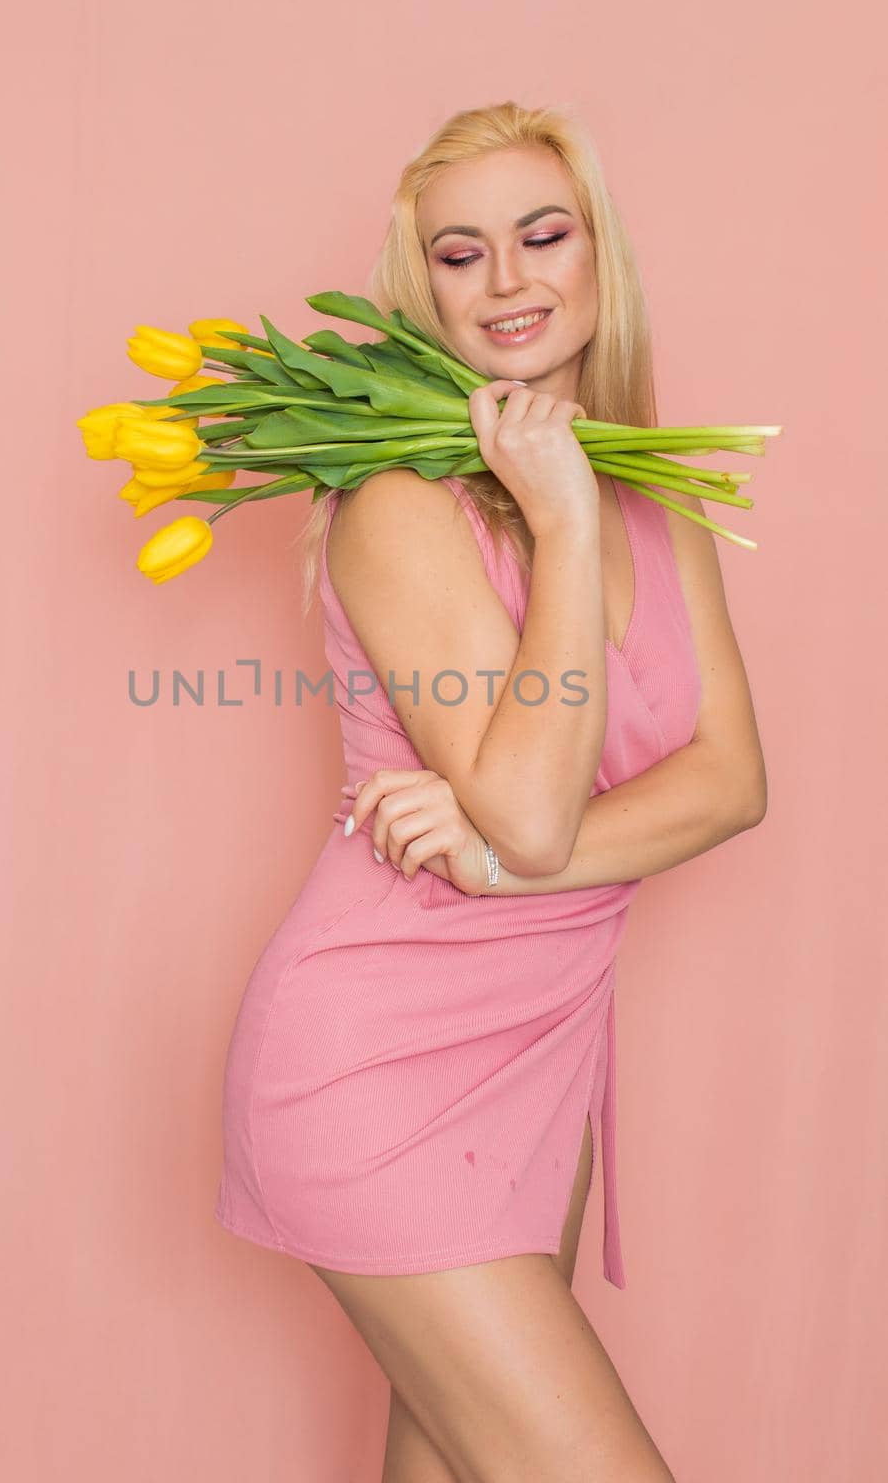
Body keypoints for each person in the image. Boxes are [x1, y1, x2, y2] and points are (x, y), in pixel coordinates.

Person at [214, 100, 767, 1483]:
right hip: (376, 1057)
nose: (510, 279)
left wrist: (510, 861)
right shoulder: (403, 502)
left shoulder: (666, 499)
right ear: (425, 291)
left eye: (541, 235)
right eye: (463, 255)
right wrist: (565, 522)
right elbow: (526, 799)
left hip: (542, 1047)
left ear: (598, 256)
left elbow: (733, 785)